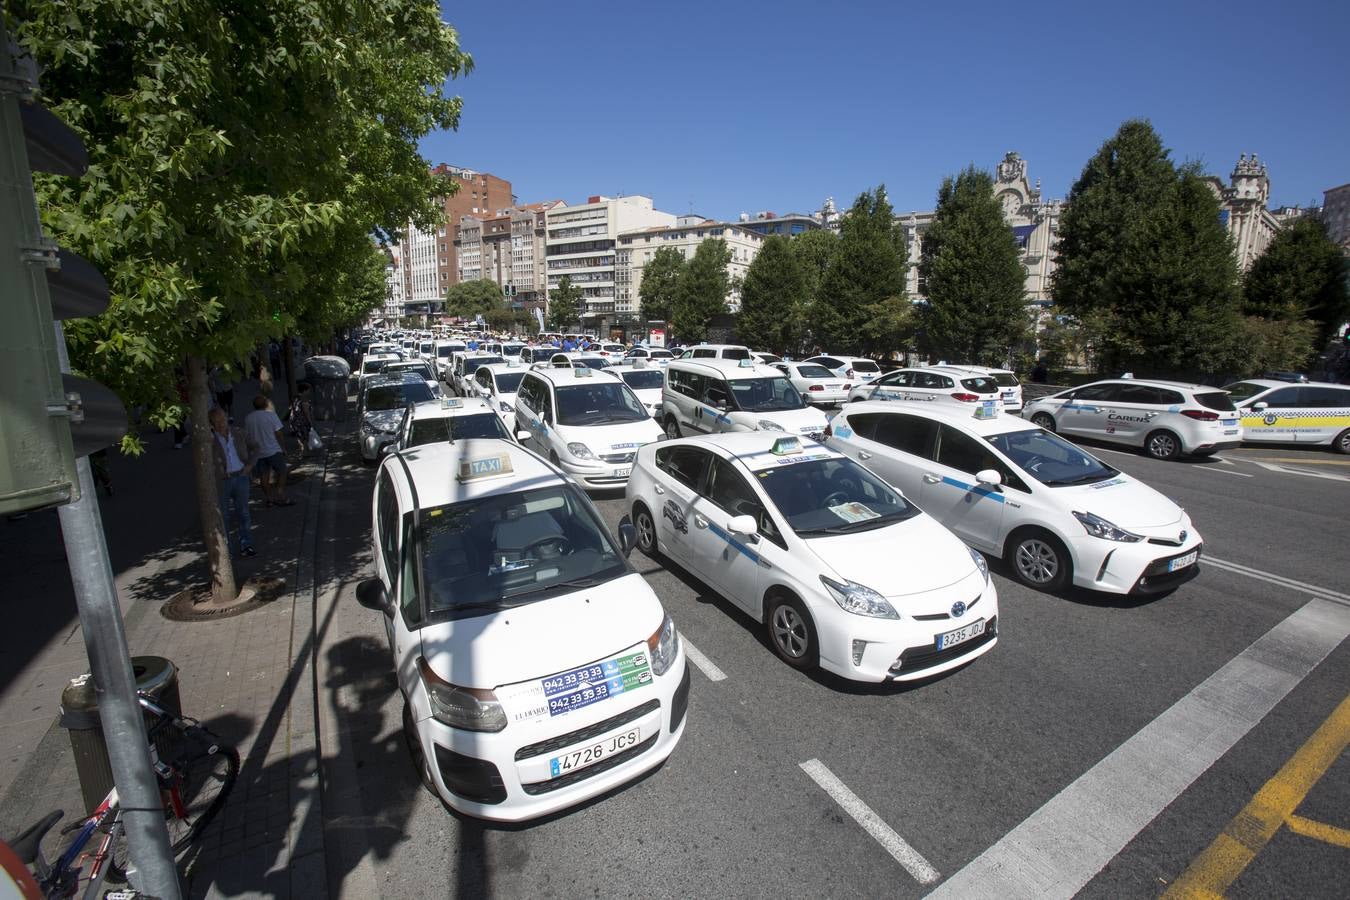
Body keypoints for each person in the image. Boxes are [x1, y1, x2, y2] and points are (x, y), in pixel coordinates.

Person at [209, 407, 257, 557]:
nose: (221, 424)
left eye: (222, 420)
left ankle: (246, 545)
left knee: (243, 513)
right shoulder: (210, 439)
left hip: (241, 476)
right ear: (211, 423)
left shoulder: (238, 432)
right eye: (216, 422)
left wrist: (249, 465)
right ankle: (227, 551)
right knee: (223, 516)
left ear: (227, 418)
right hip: (223, 481)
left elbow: (256, 447)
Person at [244, 394, 293, 506]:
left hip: (258, 452)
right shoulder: (271, 416)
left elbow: (247, 435)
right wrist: (283, 448)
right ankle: (280, 494)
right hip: (273, 450)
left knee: (263, 476)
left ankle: (269, 498)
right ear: (265, 404)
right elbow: (279, 433)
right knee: (282, 471)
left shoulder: (248, 418)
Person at [289, 382, 315, 454]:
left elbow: (291, 408)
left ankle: (303, 452)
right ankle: (305, 453)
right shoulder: (304, 400)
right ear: (304, 390)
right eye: (308, 390)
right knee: (305, 438)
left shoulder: (296, 398)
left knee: (299, 437)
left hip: (295, 421)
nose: (309, 392)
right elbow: (306, 413)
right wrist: (310, 422)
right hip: (302, 422)